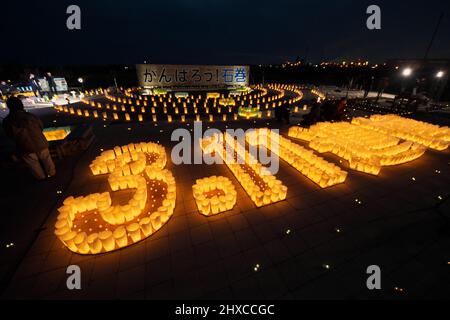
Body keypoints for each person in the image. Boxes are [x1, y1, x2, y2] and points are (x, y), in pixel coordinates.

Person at [2, 97, 56, 180]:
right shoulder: (30, 116)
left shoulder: (8, 121)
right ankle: (52, 174)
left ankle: (41, 178)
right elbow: (40, 126)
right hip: (40, 141)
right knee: (46, 159)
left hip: (24, 145)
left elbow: (9, 134)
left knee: (33, 163)